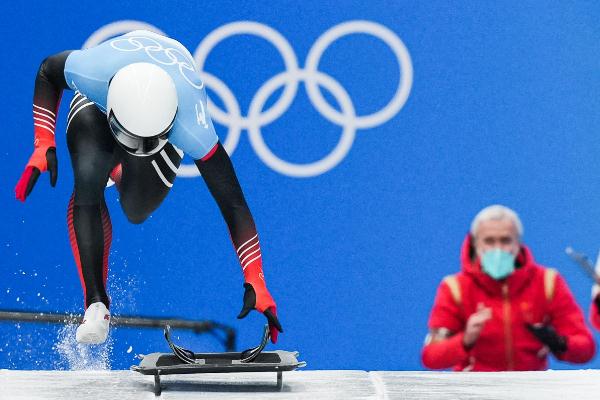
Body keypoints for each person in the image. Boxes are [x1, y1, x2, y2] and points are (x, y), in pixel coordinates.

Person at [14, 30, 282, 345]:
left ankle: (118, 167)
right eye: (132, 141)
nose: (138, 147)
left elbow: (234, 205)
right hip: (97, 106)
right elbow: (47, 71)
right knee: (88, 175)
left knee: (137, 208)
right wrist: (43, 140)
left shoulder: (192, 125)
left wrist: (255, 276)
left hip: (162, 107)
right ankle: (95, 304)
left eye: (146, 143)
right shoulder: (91, 71)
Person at [421, 205, 594, 371]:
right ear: (475, 244)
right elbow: (431, 357)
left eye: (505, 240)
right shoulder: (454, 288)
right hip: (474, 391)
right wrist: (465, 339)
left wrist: (558, 342)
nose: (498, 249)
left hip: (531, 390)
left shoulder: (548, 282)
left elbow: (586, 348)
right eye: (489, 241)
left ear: (517, 243)